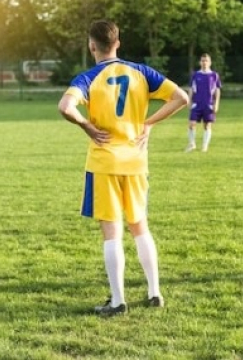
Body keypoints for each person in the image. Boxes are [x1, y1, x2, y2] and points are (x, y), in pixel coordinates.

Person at [58, 20, 189, 316]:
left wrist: (86, 125)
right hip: (136, 161)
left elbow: (65, 107)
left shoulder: (89, 77)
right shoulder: (142, 72)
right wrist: (148, 123)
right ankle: (154, 292)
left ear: (92, 46)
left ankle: (118, 301)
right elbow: (181, 98)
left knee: (112, 232)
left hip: (104, 162)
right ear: (117, 43)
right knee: (140, 227)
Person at [185, 53, 221, 152]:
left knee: (207, 125)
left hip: (208, 104)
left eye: (206, 61)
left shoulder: (214, 75)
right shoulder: (195, 75)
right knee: (191, 124)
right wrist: (189, 100)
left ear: (210, 62)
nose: (204, 62)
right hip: (196, 104)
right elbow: (191, 88)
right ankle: (192, 144)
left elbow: (217, 90)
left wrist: (216, 103)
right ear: (200, 62)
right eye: (203, 61)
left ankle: (204, 146)